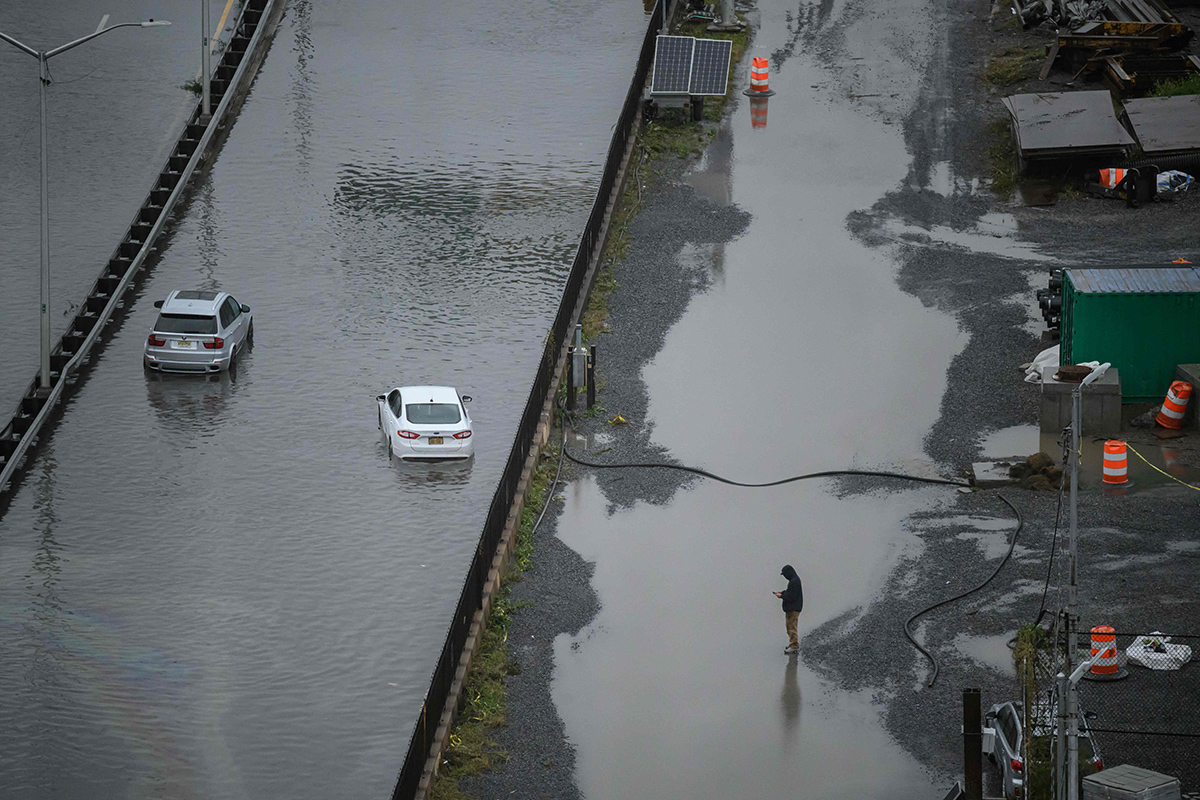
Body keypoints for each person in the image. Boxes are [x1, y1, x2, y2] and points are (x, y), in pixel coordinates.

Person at [773, 564, 803, 654]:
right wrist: (782, 593)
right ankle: (792, 644)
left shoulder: (794, 582)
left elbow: (791, 596)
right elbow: (791, 592)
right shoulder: (795, 580)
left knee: (791, 627)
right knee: (790, 626)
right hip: (794, 607)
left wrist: (781, 596)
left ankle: (794, 646)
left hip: (793, 608)